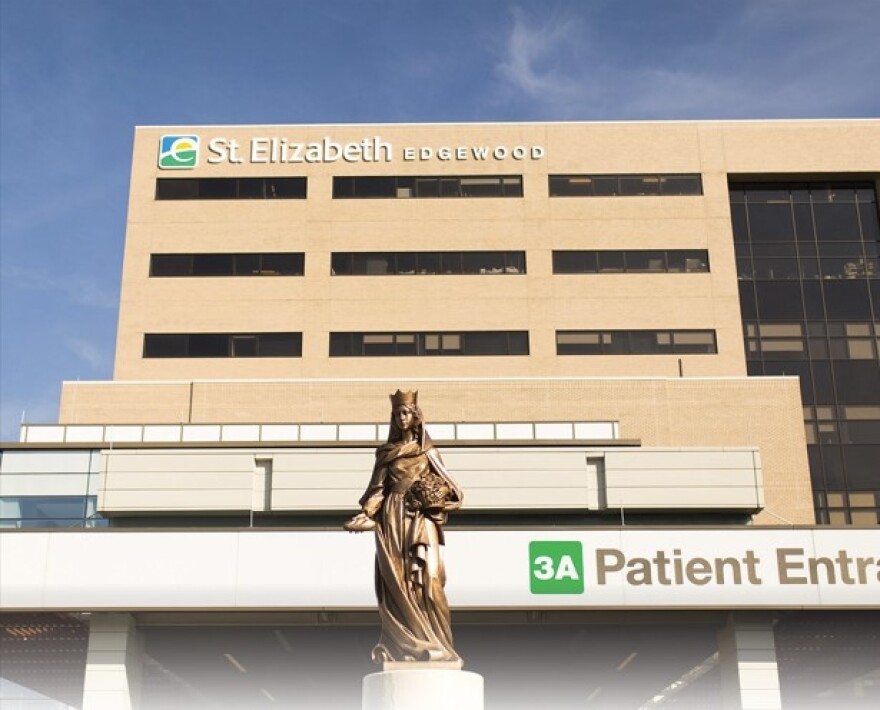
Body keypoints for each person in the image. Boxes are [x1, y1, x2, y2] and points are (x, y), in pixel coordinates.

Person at [345, 390, 463, 664]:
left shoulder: (429, 452)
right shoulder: (386, 453)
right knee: (397, 581)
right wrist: (365, 515)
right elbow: (377, 490)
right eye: (397, 414)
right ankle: (406, 645)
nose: (401, 418)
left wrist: (434, 500)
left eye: (405, 413)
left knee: (430, 580)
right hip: (392, 518)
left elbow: (451, 489)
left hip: (421, 518)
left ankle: (441, 645)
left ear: (416, 416)